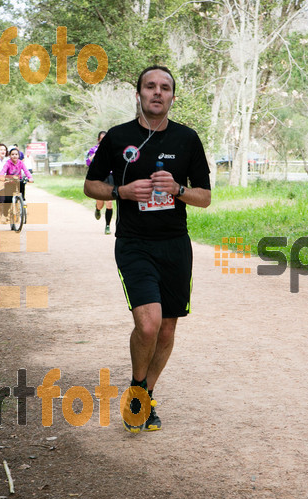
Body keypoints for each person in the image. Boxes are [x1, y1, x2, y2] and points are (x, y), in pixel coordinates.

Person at [84, 66, 211, 433]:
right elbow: (90, 185)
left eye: (165, 87)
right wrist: (118, 192)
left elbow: (204, 197)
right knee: (149, 323)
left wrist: (178, 189)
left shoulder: (188, 139)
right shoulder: (118, 138)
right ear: (139, 93)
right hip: (134, 243)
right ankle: (138, 389)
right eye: (150, 86)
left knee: (167, 330)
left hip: (174, 245)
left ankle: (145, 393)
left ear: (172, 96)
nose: (157, 92)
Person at [0, 147, 33, 230]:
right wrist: (2, 177)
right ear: (10, 156)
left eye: (16, 154)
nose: (14, 156)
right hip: (9, 182)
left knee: (22, 183)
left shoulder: (21, 163)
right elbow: (2, 172)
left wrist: (30, 178)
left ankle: (22, 201)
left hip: (18, 181)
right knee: (8, 199)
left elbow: (26, 171)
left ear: (19, 156)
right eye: (12, 154)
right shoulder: (7, 163)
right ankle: (5, 214)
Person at [86, 131, 113, 234]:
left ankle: (107, 226)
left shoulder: (112, 148)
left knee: (109, 202)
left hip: (110, 176)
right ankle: (97, 209)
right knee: (100, 203)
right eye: (102, 140)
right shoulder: (93, 150)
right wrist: (97, 153)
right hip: (99, 177)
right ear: (98, 140)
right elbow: (88, 162)